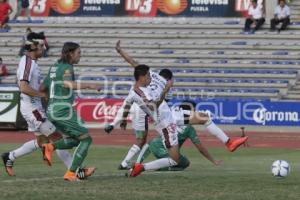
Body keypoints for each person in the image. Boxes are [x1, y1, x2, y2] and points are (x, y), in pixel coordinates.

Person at [106, 40, 248, 170]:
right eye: (147, 75)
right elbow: (154, 105)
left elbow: (133, 61)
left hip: (170, 114)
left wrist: (120, 51)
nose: (149, 76)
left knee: (204, 117)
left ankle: (229, 142)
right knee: (174, 160)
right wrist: (166, 90)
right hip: (164, 121)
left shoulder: (153, 76)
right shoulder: (143, 91)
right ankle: (140, 167)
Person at [1, 33, 94, 180]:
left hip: (32, 108)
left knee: (42, 142)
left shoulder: (32, 63)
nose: (44, 48)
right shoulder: (28, 64)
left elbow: (42, 86)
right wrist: (42, 95)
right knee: (57, 139)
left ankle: (10, 156)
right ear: (33, 48)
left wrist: (48, 92)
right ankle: (77, 172)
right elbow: (24, 87)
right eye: (41, 46)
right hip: (33, 109)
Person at [41, 42, 102, 181]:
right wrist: (89, 85)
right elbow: (69, 84)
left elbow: (42, 87)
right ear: (70, 53)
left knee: (74, 140)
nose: (80, 55)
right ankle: (71, 173)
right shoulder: (67, 67)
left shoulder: (54, 67)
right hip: (62, 110)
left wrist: (52, 102)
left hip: (52, 110)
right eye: (78, 53)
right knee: (86, 139)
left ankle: (49, 147)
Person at [136, 124, 222, 171]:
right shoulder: (189, 128)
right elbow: (200, 148)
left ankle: (138, 165)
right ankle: (156, 167)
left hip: (153, 144)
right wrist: (214, 161)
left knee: (177, 158)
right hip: (166, 150)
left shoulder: (172, 120)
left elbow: (152, 140)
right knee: (185, 162)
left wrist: (138, 161)